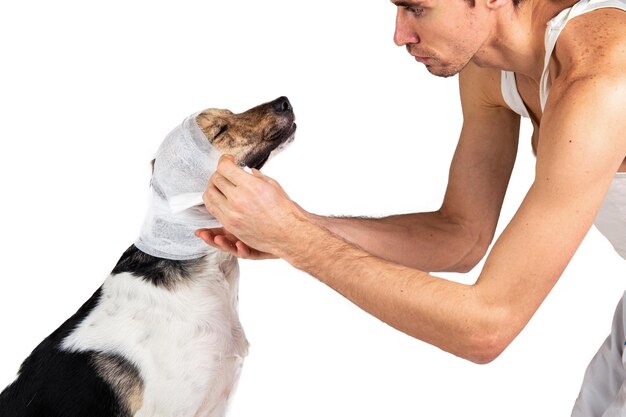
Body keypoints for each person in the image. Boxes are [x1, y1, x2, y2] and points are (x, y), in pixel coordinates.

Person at [196, 0, 626, 415]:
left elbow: (488, 325)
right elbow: (461, 235)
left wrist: (297, 239)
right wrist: (299, 226)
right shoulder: (489, 63)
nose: (399, 35)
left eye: (416, 8)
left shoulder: (602, 80)